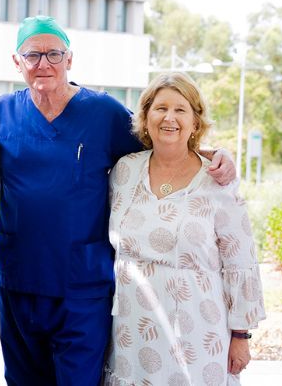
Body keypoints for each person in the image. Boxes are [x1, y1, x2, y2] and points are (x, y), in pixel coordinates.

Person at [0, 16, 236, 386]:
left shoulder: (104, 113)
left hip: (82, 290)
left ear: (69, 60)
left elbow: (163, 143)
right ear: (17, 63)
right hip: (20, 286)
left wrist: (212, 153)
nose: (43, 64)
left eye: (53, 54)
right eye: (33, 55)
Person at [104, 72, 265, 386]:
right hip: (132, 328)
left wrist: (241, 335)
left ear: (195, 121)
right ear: (146, 116)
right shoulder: (124, 170)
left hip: (199, 331)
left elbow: (241, 260)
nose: (169, 118)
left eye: (181, 109)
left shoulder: (217, 179)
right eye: (160, 108)